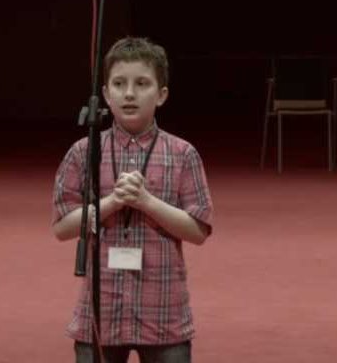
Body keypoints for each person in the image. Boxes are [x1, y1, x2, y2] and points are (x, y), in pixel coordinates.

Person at [51, 37, 214, 363]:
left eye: (141, 84)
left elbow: (198, 230)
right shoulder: (83, 152)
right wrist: (112, 202)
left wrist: (145, 201)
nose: (129, 93)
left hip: (163, 312)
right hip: (101, 314)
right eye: (119, 84)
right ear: (105, 94)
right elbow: (63, 228)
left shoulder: (183, 153)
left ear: (161, 94)